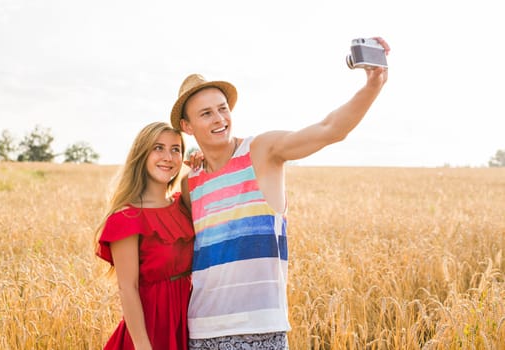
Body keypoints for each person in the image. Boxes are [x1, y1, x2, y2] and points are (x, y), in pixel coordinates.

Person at [170, 37, 390, 349]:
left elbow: (330, 129)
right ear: (187, 126)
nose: (219, 119)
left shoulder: (263, 151)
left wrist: (373, 85)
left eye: (222, 109)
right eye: (206, 114)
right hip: (202, 331)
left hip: (262, 330)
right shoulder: (190, 182)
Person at [95, 121, 195, 350]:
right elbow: (127, 287)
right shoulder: (127, 217)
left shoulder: (182, 205)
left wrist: (198, 163)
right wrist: (143, 346)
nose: (168, 157)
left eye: (175, 149)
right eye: (158, 148)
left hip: (186, 322)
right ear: (142, 154)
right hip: (150, 329)